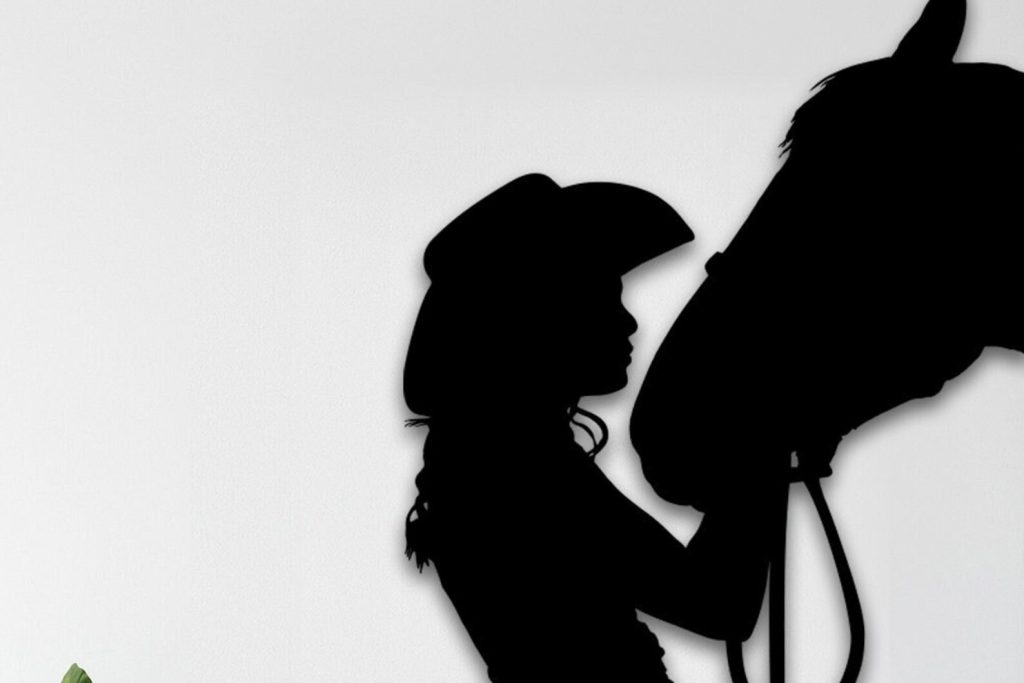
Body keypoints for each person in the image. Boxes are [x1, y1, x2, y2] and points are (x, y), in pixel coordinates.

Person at [403, 174, 775, 682]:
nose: (629, 323)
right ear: (543, 317)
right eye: (604, 297)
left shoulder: (484, 466)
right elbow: (717, 604)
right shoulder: (528, 472)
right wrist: (763, 442)